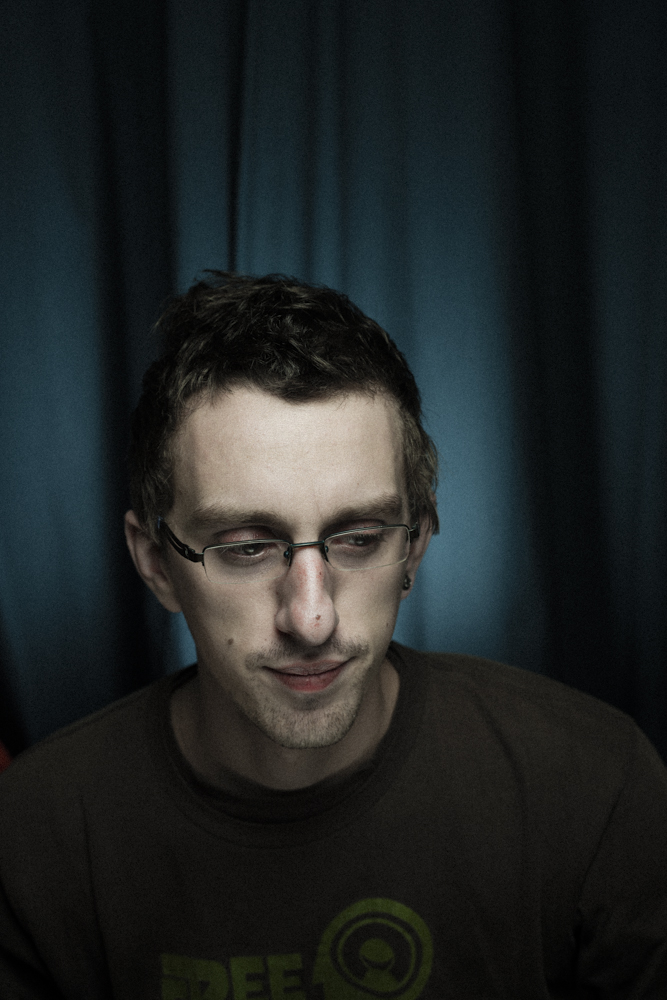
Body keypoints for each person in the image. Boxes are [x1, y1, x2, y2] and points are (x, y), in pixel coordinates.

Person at [0, 273, 666, 1000]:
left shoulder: (596, 788)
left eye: (358, 538)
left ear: (414, 546)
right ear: (157, 563)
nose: (311, 618)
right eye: (247, 547)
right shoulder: (31, 838)